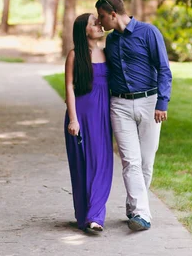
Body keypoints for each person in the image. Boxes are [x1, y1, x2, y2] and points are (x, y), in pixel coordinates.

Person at [95, 0, 172, 232]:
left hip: (149, 103)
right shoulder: (111, 41)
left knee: (146, 162)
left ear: (114, 15)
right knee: (131, 161)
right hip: (120, 106)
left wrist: (162, 102)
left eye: (101, 17)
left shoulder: (149, 33)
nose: (100, 22)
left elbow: (163, 69)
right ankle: (142, 215)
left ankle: (133, 205)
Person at [64, 13, 114, 233]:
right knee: (82, 166)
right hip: (81, 116)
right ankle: (86, 214)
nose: (100, 25)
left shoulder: (106, 52)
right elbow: (69, 88)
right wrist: (73, 119)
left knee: (102, 164)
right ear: (84, 31)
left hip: (102, 116)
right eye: (94, 23)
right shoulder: (75, 55)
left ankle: (95, 216)